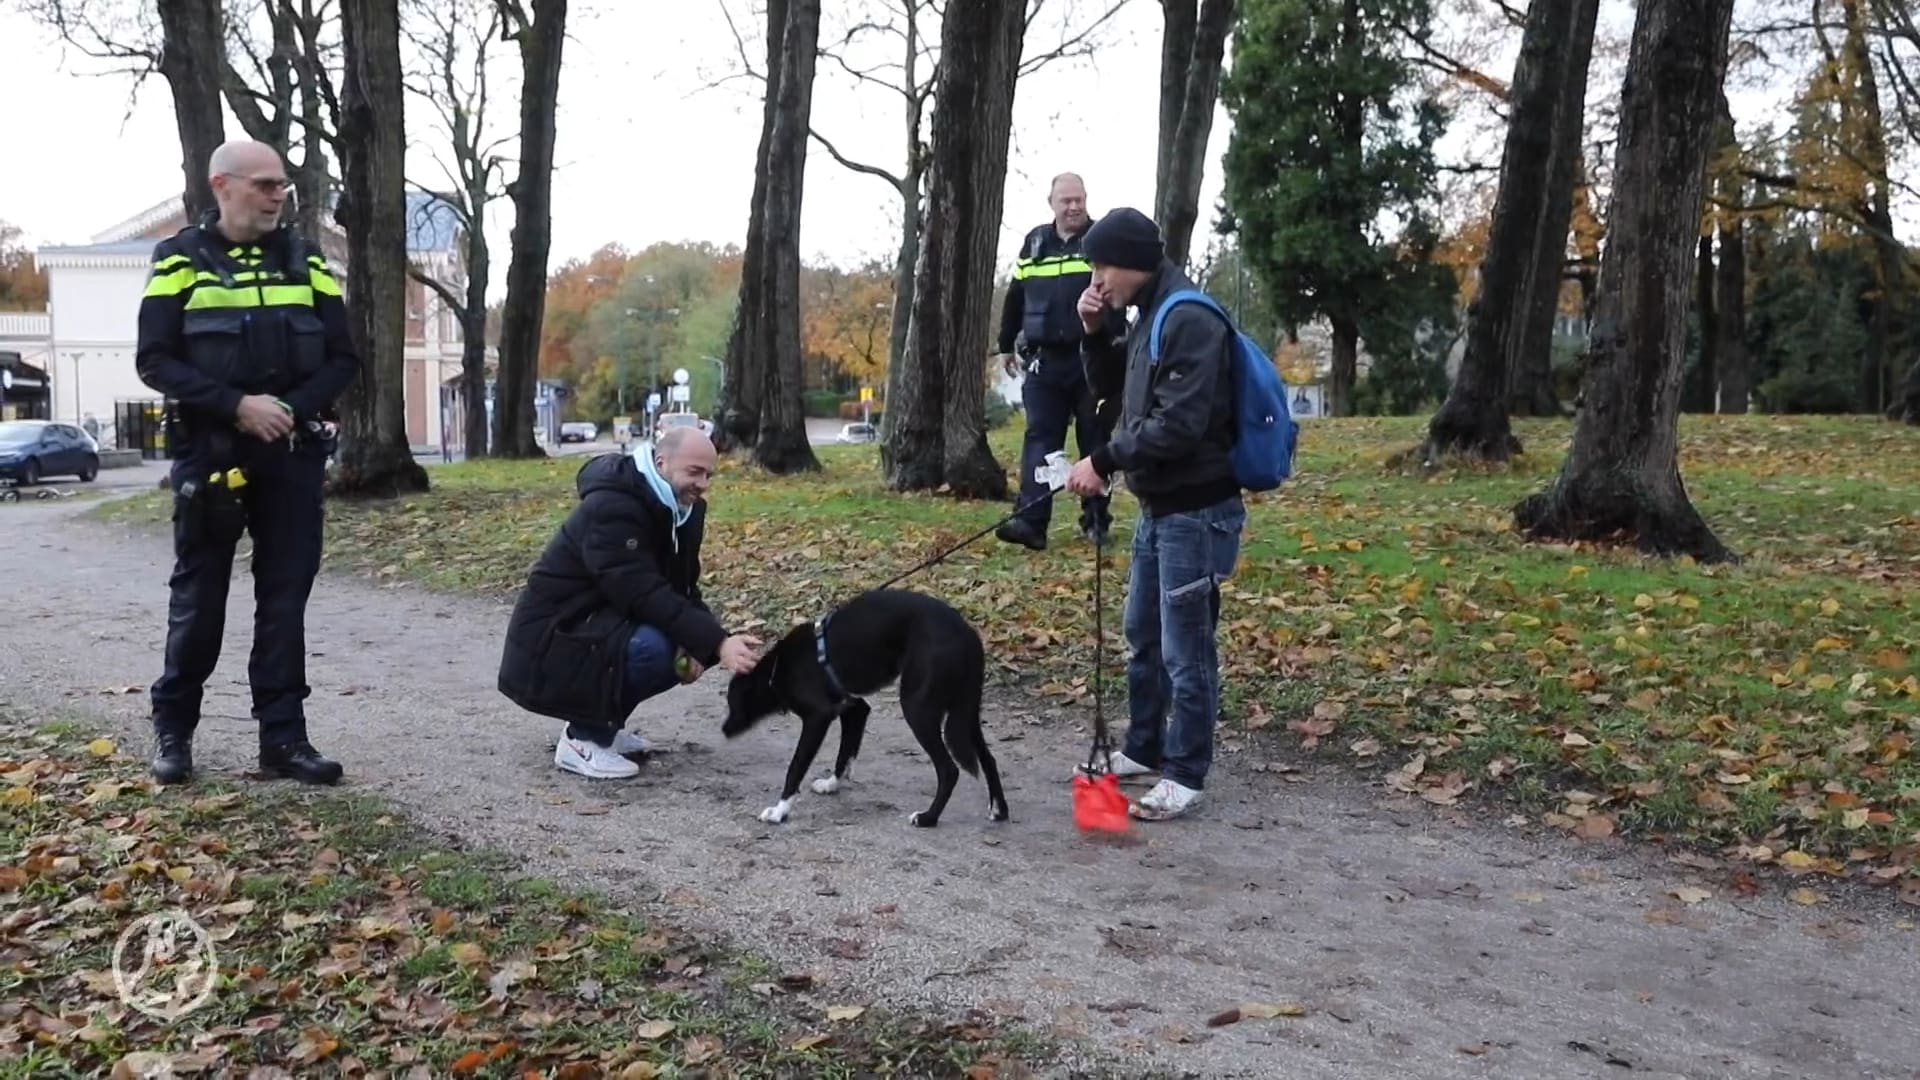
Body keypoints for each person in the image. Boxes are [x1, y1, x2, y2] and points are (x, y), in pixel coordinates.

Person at [138, 140, 360, 787]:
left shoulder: (307, 260)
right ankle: (174, 732)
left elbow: (342, 359)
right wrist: (237, 406)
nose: (277, 195)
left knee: (284, 603)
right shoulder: (178, 260)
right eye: (264, 184)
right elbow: (155, 359)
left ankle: (284, 741)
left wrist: (286, 408)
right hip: (209, 454)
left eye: (282, 185)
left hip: (289, 456)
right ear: (223, 186)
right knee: (200, 600)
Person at [1066, 207, 1244, 821]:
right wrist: (1093, 332)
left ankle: (1187, 772)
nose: (1097, 277)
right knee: (1142, 637)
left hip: (1196, 511)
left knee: (1185, 649)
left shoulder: (1189, 316)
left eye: (1102, 264)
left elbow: (1179, 425)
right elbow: (1119, 391)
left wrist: (1103, 459)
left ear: (1133, 261)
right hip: (1159, 508)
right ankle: (1144, 747)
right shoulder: (1150, 315)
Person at [497, 428, 763, 779]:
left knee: (685, 646)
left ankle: (603, 724)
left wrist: (714, 644)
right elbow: (641, 592)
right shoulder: (613, 507)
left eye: (709, 475)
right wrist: (715, 641)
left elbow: (680, 589)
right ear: (661, 462)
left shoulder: (680, 509)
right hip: (552, 636)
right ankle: (583, 739)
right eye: (694, 472)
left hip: (595, 624)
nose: (703, 484)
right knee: (654, 649)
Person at [994, 172, 1120, 551]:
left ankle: (1096, 520)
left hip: (1092, 359)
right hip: (1044, 361)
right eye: (1066, 200)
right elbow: (1015, 297)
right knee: (1040, 440)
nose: (1074, 206)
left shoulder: (1101, 241)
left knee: (1093, 439)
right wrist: (1005, 345)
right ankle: (1031, 522)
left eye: (1079, 199)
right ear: (1052, 203)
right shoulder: (1034, 243)